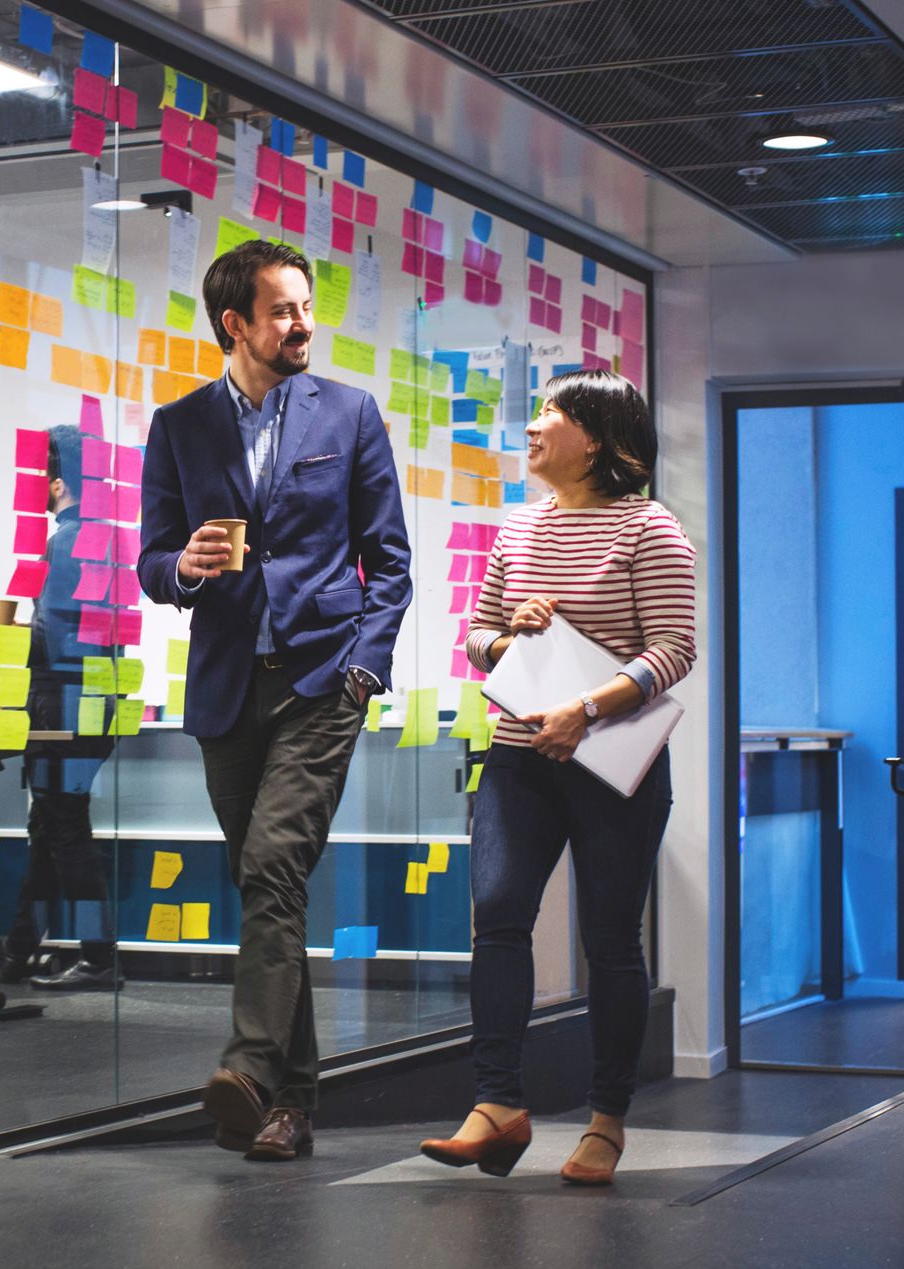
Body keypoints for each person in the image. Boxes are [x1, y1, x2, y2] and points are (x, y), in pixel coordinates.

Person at [138, 239, 412, 1162]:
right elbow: (150, 560)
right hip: (225, 687)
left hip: (319, 682)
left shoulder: (350, 413)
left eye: (305, 308)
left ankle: (250, 1065)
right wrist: (182, 566)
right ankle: (290, 1107)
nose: (304, 325)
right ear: (237, 325)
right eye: (285, 311)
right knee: (272, 886)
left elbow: (392, 563)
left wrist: (364, 669)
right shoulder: (179, 427)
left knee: (271, 866)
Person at [419, 369, 695, 1184]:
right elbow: (477, 638)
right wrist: (514, 638)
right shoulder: (518, 528)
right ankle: (496, 1105)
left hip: (612, 760)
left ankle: (607, 1121)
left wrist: (586, 708)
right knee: (498, 915)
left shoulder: (650, 530)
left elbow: (673, 650)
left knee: (609, 941)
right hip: (519, 752)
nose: (533, 425)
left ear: (601, 441)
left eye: (551, 413)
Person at [0, 424, 121, 991]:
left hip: (64, 702)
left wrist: (3, 634)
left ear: (59, 481)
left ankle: (99, 954)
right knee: (50, 825)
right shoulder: (100, 536)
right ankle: (19, 949)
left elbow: (64, 642)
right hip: (88, 700)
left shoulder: (67, 541)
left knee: (64, 828)